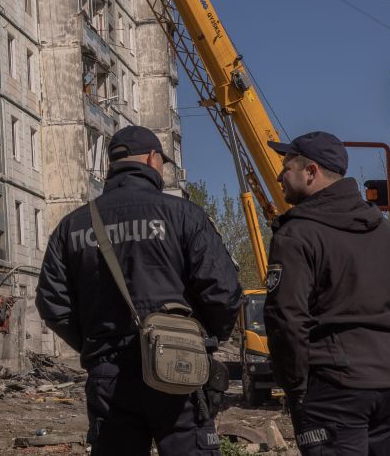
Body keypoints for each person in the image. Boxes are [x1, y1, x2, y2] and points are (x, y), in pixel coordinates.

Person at [35, 126, 241, 455]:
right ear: (152, 159)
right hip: (178, 366)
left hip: (109, 374)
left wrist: (96, 345)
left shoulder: (73, 225)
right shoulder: (183, 215)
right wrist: (202, 341)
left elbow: (53, 305)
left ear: (112, 165)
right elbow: (223, 291)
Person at [263, 131, 390, 454]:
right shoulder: (386, 231)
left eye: (287, 167)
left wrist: (295, 389)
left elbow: (287, 320)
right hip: (389, 383)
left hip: (334, 389)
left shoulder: (296, 235)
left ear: (311, 172)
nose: (279, 176)